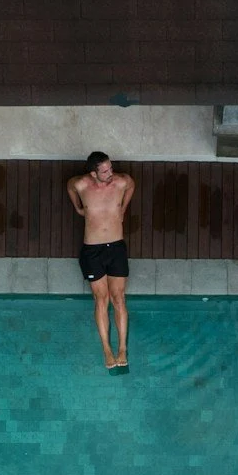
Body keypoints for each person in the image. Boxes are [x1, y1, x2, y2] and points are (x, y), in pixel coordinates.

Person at [68, 151, 134, 368]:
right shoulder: (81, 186)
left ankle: (122, 348)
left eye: (110, 168)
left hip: (116, 247)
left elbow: (131, 185)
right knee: (101, 300)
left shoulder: (121, 182)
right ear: (93, 173)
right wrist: (78, 207)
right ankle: (107, 349)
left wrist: (122, 209)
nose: (110, 173)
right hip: (92, 250)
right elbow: (70, 185)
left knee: (119, 298)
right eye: (105, 171)